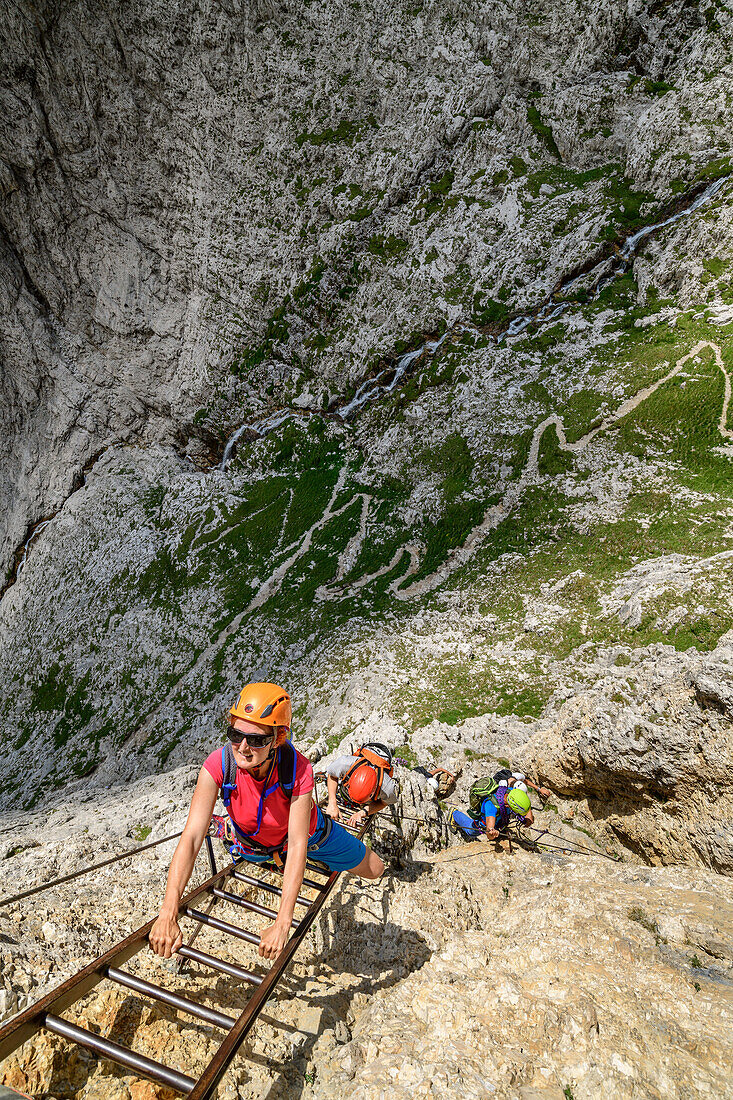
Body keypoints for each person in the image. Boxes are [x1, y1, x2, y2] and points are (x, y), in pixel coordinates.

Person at [149, 683, 384, 963]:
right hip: (253, 843)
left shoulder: (297, 769)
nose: (244, 748)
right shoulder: (219, 765)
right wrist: (167, 912)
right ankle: (240, 836)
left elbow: (298, 844)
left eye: (257, 740)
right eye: (236, 735)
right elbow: (191, 837)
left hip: (310, 837)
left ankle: (280, 850)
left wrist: (283, 923)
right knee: (257, 844)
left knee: (375, 869)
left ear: (277, 739)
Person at [324, 743, 399, 826]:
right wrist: (332, 803)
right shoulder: (344, 764)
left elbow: (384, 803)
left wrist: (362, 813)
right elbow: (332, 775)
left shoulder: (387, 787)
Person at [448, 786, 534, 841]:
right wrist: (492, 834)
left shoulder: (511, 793)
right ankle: (454, 813)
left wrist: (528, 814)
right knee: (470, 831)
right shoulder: (491, 806)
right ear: (509, 806)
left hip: (500, 820)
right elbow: (489, 833)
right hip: (483, 823)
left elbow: (522, 800)